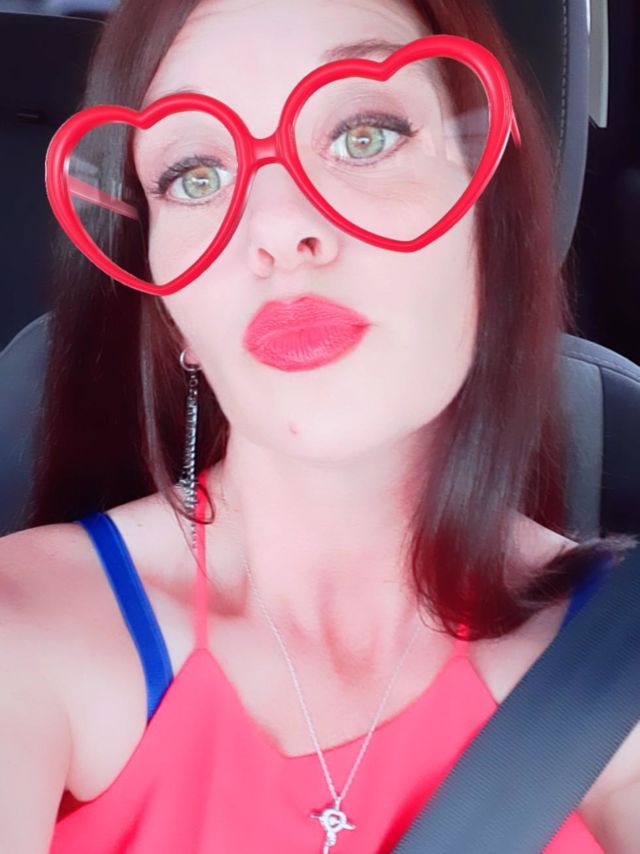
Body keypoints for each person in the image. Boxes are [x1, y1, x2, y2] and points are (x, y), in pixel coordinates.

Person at [0, 0, 637, 851]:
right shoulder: (25, 636)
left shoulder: (615, 668)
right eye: (195, 176)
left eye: (364, 135)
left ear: (489, 218)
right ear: (173, 314)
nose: (276, 228)